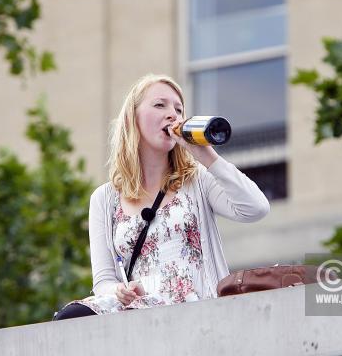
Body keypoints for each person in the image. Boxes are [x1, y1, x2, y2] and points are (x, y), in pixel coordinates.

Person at [53, 73, 270, 320]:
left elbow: (256, 208)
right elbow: (103, 281)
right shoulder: (104, 199)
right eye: (160, 105)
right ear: (132, 118)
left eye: (178, 109)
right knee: (71, 316)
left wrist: (207, 157)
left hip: (194, 308)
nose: (172, 114)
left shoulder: (197, 180)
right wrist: (120, 291)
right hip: (139, 312)